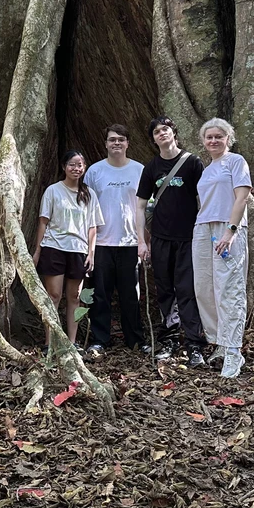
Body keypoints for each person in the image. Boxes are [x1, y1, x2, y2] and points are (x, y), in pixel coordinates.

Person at [136, 117, 204, 363]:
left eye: (165, 129)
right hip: (161, 239)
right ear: (153, 139)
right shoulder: (151, 167)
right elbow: (141, 204)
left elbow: (202, 200)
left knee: (187, 290)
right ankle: (170, 340)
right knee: (165, 291)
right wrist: (142, 241)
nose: (161, 133)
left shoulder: (192, 163)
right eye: (156, 131)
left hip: (188, 238)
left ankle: (195, 344)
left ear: (174, 133)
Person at [192, 118, 252, 378]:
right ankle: (219, 341)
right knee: (204, 288)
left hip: (226, 229)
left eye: (219, 136)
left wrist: (231, 230)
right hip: (203, 228)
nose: (213, 141)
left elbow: (242, 196)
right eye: (209, 137)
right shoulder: (207, 169)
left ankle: (234, 351)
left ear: (228, 138)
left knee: (229, 288)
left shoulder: (235, 161)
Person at [84, 125, 146, 359]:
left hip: (130, 242)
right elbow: (86, 208)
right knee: (101, 293)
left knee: (131, 293)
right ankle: (100, 340)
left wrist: (143, 241)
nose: (116, 143)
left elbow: (146, 208)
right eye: (112, 140)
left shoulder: (139, 170)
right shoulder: (95, 171)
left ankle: (135, 339)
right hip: (101, 243)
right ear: (106, 144)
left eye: (121, 139)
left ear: (128, 143)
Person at [32, 150, 104, 349]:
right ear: (64, 167)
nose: (76, 168)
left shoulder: (89, 194)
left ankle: (72, 342)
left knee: (74, 297)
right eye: (72, 164)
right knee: (53, 295)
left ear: (84, 167)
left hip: (78, 250)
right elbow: (43, 222)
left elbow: (93, 227)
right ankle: (51, 341)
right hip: (54, 247)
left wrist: (91, 253)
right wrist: (37, 251)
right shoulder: (53, 191)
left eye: (80, 165)